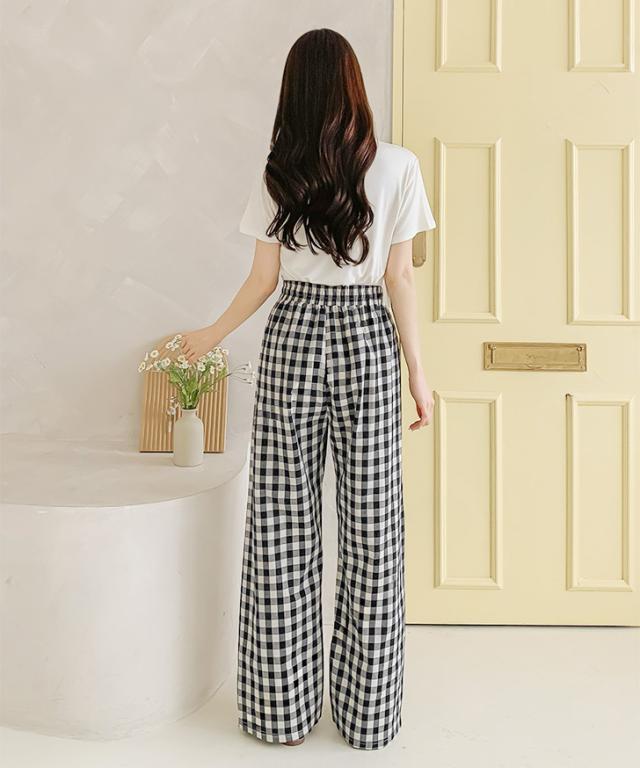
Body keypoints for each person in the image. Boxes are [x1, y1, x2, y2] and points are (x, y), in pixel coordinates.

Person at [179, 28, 436, 751]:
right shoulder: (399, 166)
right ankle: (368, 716)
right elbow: (400, 279)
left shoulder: (278, 173)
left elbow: (264, 279)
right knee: (374, 527)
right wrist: (417, 373)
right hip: (367, 339)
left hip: (293, 332)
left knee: (281, 524)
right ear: (353, 85)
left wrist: (212, 332)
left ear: (294, 91)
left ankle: (279, 713)